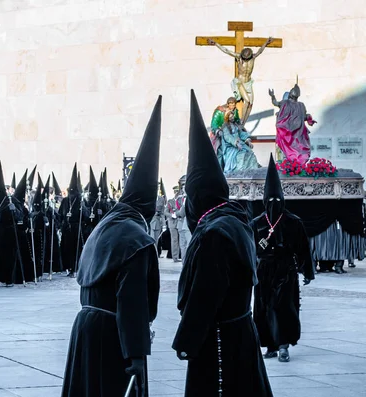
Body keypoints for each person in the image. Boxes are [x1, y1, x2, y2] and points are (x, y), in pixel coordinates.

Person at [172, 90, 272, 396]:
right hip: (239, 332)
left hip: (219, 341)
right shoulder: (234, 219)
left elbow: (205, 294)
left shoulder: (214, 233)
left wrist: (186, 340)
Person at [62, 96, 162, 397]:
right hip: (111, 335)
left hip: (84, 328)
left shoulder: (105, 226)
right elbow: (132, 302)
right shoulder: (136, 239)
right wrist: (136, 355)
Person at [251, 155, 315, 362]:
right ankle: (270, 344)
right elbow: (250, 250)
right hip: (263, 271)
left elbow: (303, 248)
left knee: (284, 307)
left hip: (285, 270)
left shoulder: (293, 222)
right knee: (264, 308)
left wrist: (307, 271)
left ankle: (284, 345)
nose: (273, 204)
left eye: (277, 201)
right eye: (270, 201)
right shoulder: (257, 223)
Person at [208, 37, 274, 124]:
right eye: (245, 58)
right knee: (247, 100)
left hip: (248, 83)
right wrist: (216, 43)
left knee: (251, 104)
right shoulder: (239, 57)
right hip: (240, 82)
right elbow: (226, 50)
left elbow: (260, 51)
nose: (245, 59)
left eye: (247, 58)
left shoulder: (253, 57)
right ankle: (241, 121)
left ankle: (243, 124)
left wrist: (266, 43)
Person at [269, 83, 316, 164]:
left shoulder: (285, 103)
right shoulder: (301, 105)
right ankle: (294, 164)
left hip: (288, 131)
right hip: (298, 133)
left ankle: (292, 164)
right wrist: (309, 119)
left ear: (290, 94)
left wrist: (272, 95)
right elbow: (304, 117)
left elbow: (275, 102)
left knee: (291, 149)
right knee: (299, 149)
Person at [210, 97, 240, 168]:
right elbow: (214, 124)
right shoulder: (220, 112)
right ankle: (219, 169)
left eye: (234, 104)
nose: (233, 106)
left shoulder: (235, 111)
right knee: (219, 152)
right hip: (219, 135)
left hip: (231, 133)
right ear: (227, 104)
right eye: (231, 104)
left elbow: (237, 120)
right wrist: (218, 131)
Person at [166, 186, 181, 262]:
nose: (176, 193)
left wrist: (177, 214)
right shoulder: (170, 201)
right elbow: (165, 212)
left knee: (181, 240)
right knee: (174, 240)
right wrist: (172, 215)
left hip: (180, 221)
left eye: (177, 191)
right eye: (175, 191)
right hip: (172, 222)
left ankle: (181, 255)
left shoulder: (181, 200)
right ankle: (175, 257)